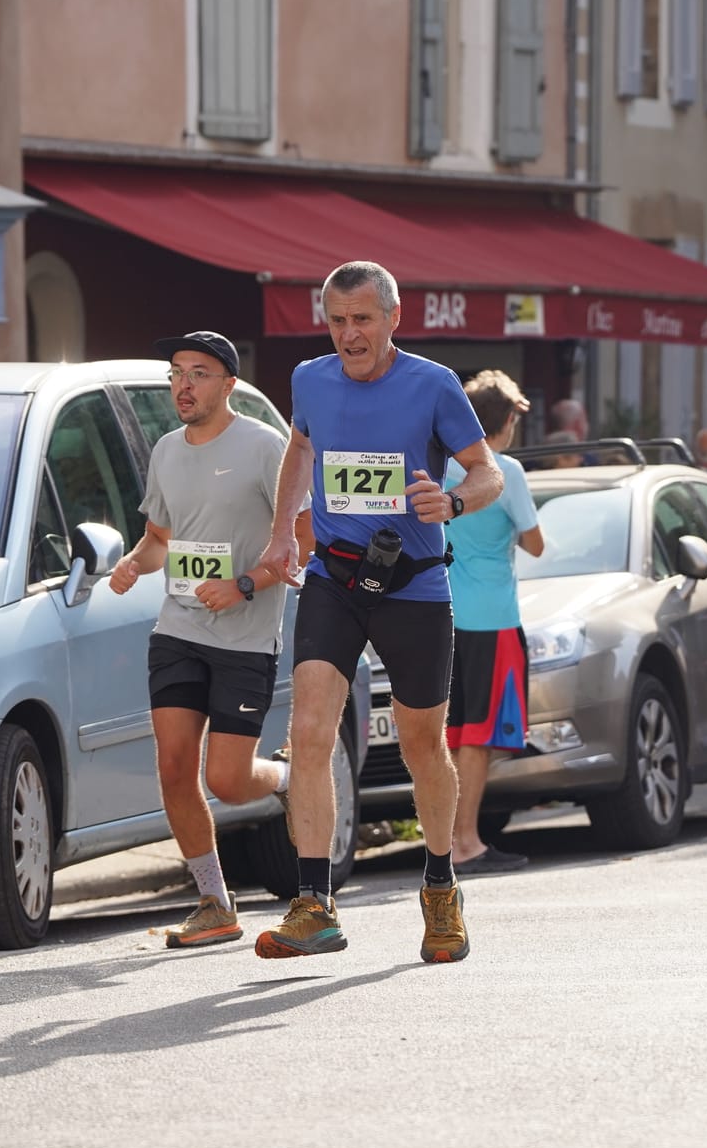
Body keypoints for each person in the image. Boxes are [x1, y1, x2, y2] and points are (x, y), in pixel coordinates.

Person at [259, 260, 503, 964]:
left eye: (362, 319)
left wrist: (453, 501)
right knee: (307, 729)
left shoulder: (433, 384)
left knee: (426, 744)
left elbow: (485, 470)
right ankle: (315, 902)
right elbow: (300, 447)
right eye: (337, 321)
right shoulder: (310, 379)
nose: (349, 334)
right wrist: (283, 531)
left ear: (393, 317)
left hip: (414, 584)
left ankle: (439, 885)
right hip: (335, 579)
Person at [109, 331, 300, 948]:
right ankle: (214, 901)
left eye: (198, 372)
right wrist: (134, 563)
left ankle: (284, 779)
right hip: (179, 627)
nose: (183, 385)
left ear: (228, 385)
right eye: (176, 373)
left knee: (227, 779)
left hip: (245, 634)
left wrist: (245, 584)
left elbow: (305, 536)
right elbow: (160, 536)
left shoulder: (264, 446)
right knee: (171, 764)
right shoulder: (166, 450)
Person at [444, 371, 545, 873]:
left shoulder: (441, 470)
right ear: (507, 421)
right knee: (478, 737)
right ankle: (466, 841)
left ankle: (447, 840)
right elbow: (536, 543)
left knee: (451, 733)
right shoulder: (505, 471)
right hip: (492, 617)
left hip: (443, 616)